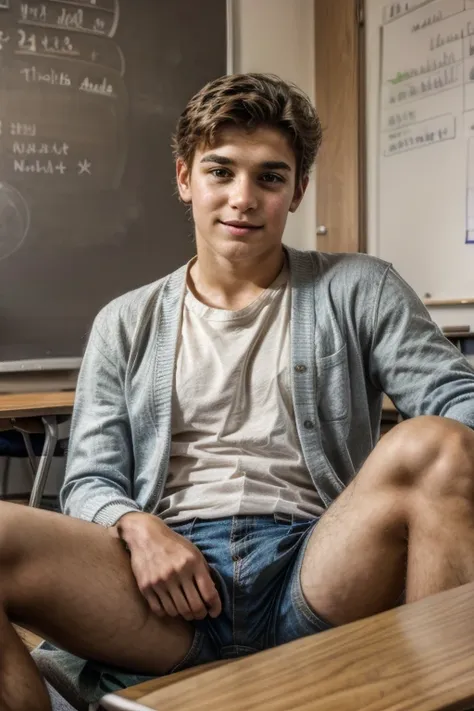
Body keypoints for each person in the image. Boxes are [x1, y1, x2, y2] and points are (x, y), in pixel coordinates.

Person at [2, 72, 474, 711]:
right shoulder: (124, 320)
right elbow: (88, 480)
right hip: (167, 594)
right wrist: (136, 526)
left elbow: (456, 403)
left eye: (270, 177)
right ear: (184, 179)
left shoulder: (362, 288)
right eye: (220, 172)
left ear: (297, 190)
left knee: (442, 444)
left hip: (319, 570)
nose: (242, 198)